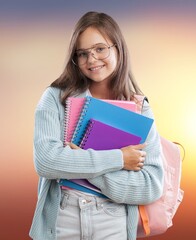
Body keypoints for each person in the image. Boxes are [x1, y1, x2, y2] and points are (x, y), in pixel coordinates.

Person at [29, 11, 164, 240]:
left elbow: (150, 186)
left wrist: (85, 168)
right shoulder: (54, 98)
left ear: (118, 48)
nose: (91, 60)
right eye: (83, 54)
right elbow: (47, 161)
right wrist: (119, 159)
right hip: (63, 217)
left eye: (100, 49)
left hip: (113, 220)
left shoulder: (139, 108)